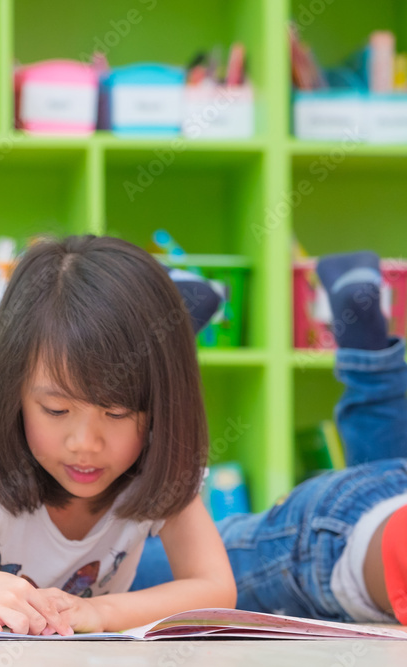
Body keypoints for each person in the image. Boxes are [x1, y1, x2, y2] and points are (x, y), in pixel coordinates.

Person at [0, 235, 237, 635]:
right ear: (15, 393)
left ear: (160, 407)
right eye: (56, 410)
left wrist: (100, 613)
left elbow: (216, 589)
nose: (84, 443)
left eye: (116, 412)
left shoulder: (159, 458)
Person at [130, 250, 407, 627]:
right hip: (333, 545)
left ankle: (368, 350)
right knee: (112, 578)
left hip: (385, 498)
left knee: (388, 481)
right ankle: (168, 334)